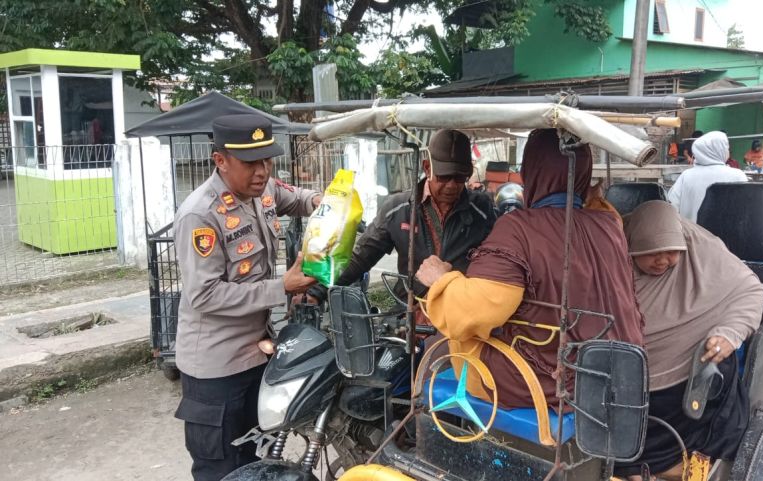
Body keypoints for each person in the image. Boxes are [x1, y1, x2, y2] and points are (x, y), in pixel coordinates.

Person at [415, 128, 644, 411]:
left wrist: (442, 279)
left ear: (530, 172)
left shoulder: (519, 228)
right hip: (615, 369)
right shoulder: (609, 223)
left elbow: (473, 311)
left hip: (547, 383)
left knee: (459, 334)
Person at [172, 114, 321, 481]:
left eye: (267, 160)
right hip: (216, 368)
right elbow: (204, 295)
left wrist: (322, 200)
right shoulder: (200, 214)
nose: (262, 171)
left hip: (256, 355)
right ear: (220, 160)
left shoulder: (261, 190)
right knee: (222, 467)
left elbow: (297, 198)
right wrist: (281, 287)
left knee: (254, 460)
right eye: (251, 163)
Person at [616, 201, 763, 480]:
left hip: (689, 377)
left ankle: (667, 465)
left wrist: (729, 333)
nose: (662, 260)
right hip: (628, 375)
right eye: (650, 254)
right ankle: (635, 466)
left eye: (671, 252)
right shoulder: (610, 254)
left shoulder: (702, 249)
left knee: (716, 372)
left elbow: (749, 289)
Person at [305, 129, 496, 303]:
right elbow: (360, 258)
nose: (452, 185)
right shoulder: (397, 209)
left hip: (461, 309)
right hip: (410, 309)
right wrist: (317, 292)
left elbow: (501, 260)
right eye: (444, 177)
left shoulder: (482, 210)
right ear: (427, 168)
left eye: (460, 177)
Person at [668, 131, 748, 222]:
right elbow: (746, 211)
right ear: (721, 150)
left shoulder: (686, 176)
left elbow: (672, 208)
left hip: (692, 235)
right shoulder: (738, 176)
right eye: (727, 148)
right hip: (727, 235)